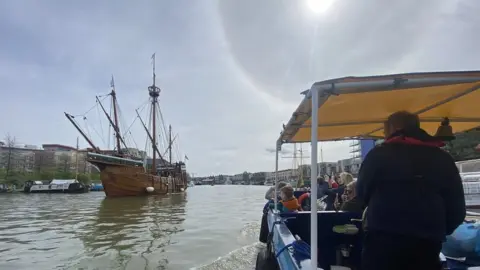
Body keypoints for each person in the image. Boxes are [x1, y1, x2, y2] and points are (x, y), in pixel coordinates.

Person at [357, 111, 466, 270]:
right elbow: (456, 206)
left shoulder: (378, 156)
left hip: (384, 236)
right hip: (427, 240)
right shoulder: (443, 158)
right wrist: (439, 228)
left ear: (394, 127)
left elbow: (362, 194)